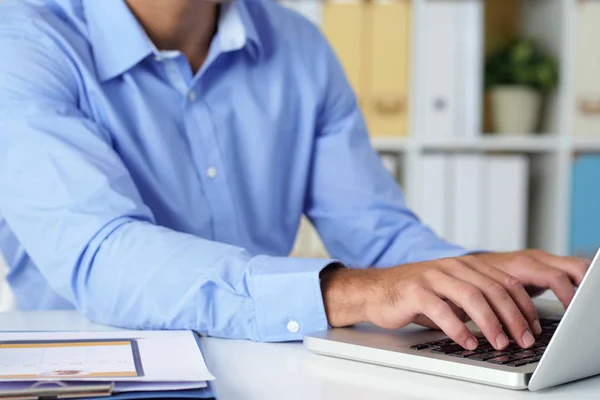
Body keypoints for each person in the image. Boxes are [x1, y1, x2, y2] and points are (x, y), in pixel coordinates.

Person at [0, 0, 588, 352]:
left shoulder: (298, 45)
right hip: (96, 370)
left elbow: (379, 238)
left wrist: (480, 275)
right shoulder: (22, 42)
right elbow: (102, 257)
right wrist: (344, 291)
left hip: (263, 360)